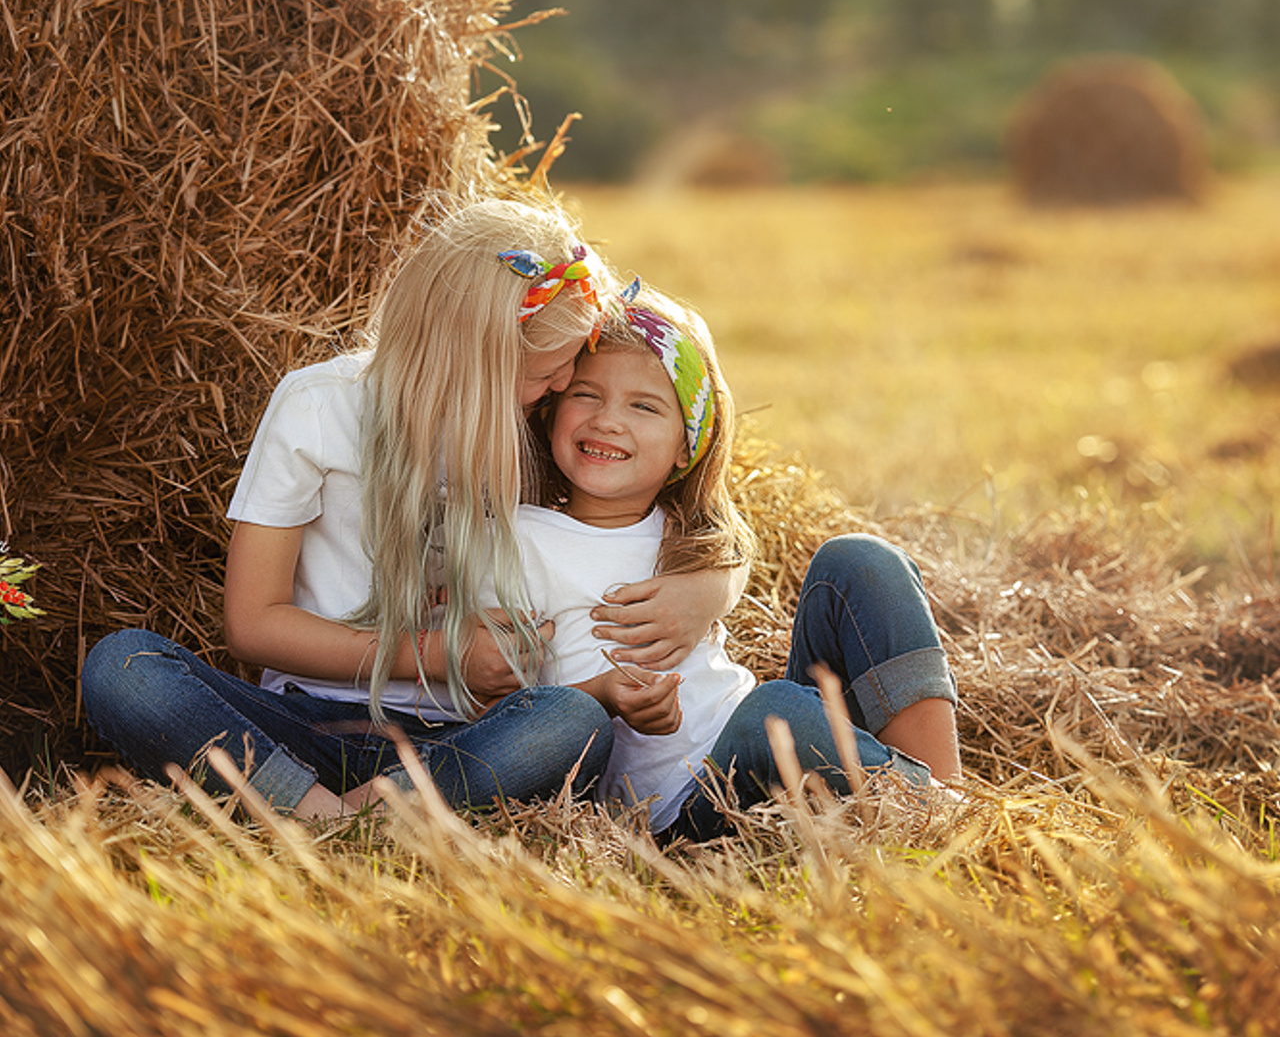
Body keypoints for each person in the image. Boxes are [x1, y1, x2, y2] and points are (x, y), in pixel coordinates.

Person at [80, 196, 744, 820]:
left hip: (465, 739)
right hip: (302, 721)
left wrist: (710, 586)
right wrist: (439, 652)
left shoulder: (530, 425)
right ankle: (329, 818)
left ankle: (327, 817)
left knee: (571, 724)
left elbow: (678, 499)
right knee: (124, 669)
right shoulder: (318, 407)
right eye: (549, 370)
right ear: (474, 354)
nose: (566, 386)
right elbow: (252, 624)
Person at [500, 282, 961, 838]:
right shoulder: (513, 540)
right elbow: (501, 712)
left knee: (860, 561)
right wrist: (604, 698)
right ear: (550, 412)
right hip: (684, 808)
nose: (607, 420)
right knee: (773, 715)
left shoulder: (689, 536)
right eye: (585, 395)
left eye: (643, 406)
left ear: (684, 448)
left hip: (761, 750)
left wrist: (710, 585)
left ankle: (940, 798)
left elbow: (732, 546)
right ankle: (934, 814)